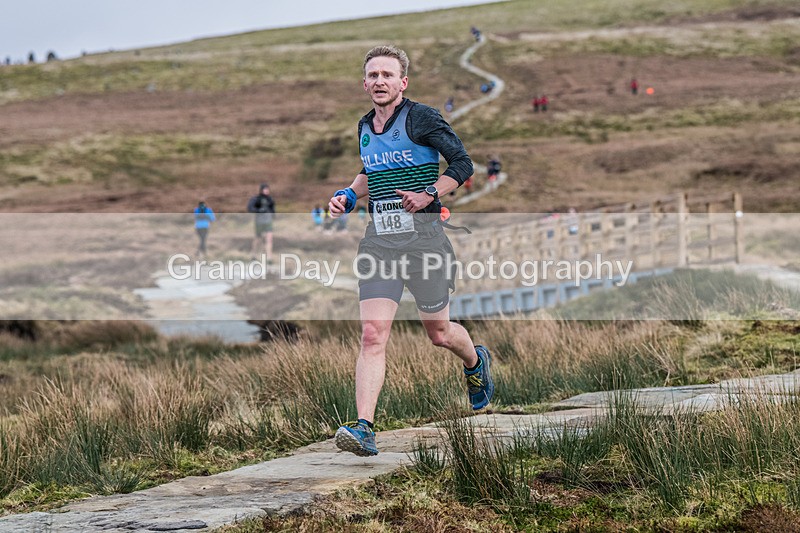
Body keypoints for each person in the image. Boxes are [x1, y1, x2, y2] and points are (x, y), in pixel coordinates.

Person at [328, 45, 494, 457]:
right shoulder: (365, 125)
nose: (379, 81)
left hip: (425, 242)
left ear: (403, 82)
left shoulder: (422, 118)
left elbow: (462, 164)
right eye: (373, 75)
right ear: (364, 82)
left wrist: (427, 194)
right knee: (372, 334)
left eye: (388, 74)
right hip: (380, 243)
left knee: (439, 334)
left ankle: (475, 363)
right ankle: (364, 427)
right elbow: (370, 171)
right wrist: (348, 195)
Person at [247, 183, 275, 263]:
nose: (266, 191)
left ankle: (269, 258)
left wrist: (273, 214)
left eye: (267, 189)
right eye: (265, 189)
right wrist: (258, 210)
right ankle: (253, 255)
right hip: (259, 221)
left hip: (268, 221)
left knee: (269, 238)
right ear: (261, 190)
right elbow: (250, 208)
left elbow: (273, 209)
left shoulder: (270, 199)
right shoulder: (256, 199)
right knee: (258, 239)